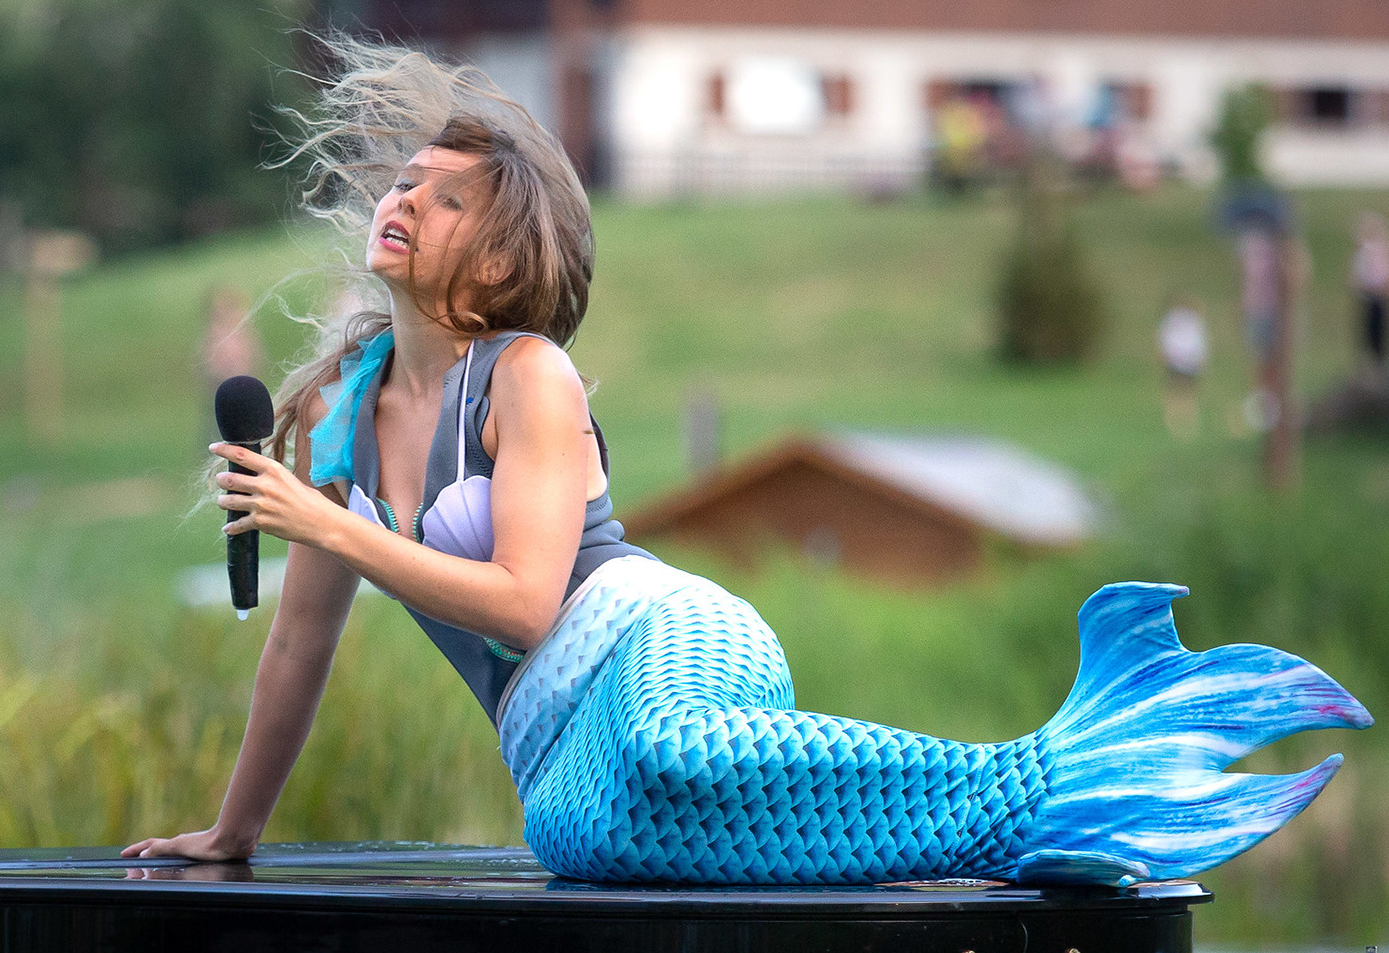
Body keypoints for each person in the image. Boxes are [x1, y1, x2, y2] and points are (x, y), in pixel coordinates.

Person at [124, 40, 1368, 885]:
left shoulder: (525, 378)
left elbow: (526, 600)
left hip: (659, 638)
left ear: (497, 265)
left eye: (443, 199)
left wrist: (339, 528)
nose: (401, 201)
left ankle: (1027, 787)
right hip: (550, 744)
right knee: (582, 836)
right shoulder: (345, 417)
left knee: (679, 746)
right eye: (403, 184)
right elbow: (298, 645)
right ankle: (1008, 822)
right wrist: (234, 833)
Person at [1156, 296, 1207, 437]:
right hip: (1177, 358)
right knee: (1176, 388)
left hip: (1188, 359)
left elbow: (1199, 340)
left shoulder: (1192, 320)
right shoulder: (1174, 319)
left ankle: (1186, 418)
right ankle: (1174, 417)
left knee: (1187, 389)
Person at [1352, 212, 1388, 366]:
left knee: (1377, 331)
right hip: (1368, 297)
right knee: (1369, 331)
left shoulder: (1378, 250)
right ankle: (1372, 362)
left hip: (1377, 296)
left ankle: (1378, 361)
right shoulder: (1364, 251)